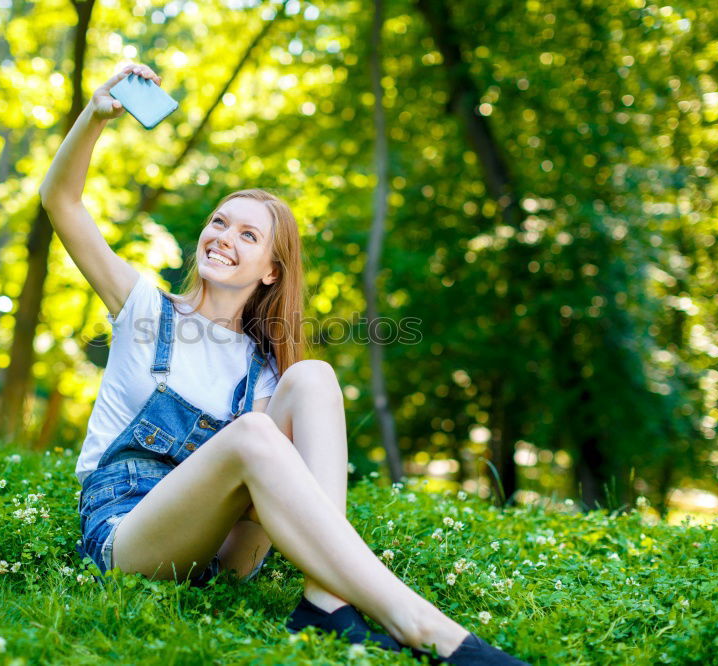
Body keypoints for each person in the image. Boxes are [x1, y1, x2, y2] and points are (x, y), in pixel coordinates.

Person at [40, 62, 528, 665]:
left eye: (248, 235)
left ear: (271, 270)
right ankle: (423, 625)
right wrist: (95, 115)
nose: (224, 237)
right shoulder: (143, 306)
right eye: (219, 222)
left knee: (314, 376)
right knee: (251, 433)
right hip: (128, 533)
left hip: (222, 555)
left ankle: (325, 602)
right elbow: (60, 200)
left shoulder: (263, 371)